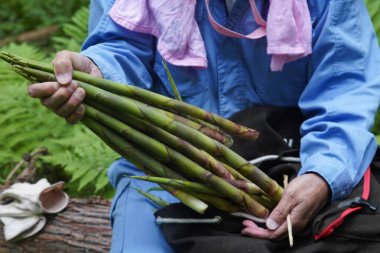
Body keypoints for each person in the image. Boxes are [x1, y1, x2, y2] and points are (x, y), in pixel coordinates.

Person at [27, 0, 380, 252]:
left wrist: (323, 175)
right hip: (164, 168)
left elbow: (344, 87)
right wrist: (97, 75)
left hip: (292, 168)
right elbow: (123, 46)